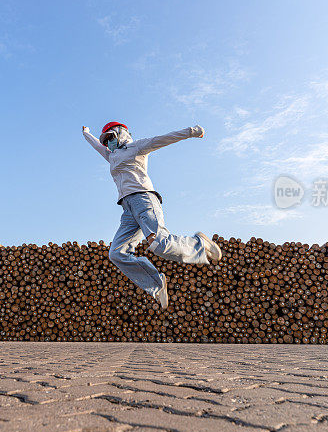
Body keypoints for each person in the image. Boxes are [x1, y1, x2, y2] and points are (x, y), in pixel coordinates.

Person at [82, 121, 223, 311]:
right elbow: (96, 146)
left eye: (111, 138)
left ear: (120, 134)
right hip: (127, 209)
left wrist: (190, 132)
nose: (108, 143)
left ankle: (200, 243)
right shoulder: (111, 156)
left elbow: (163, 139)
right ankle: (157, 283)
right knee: (117, 253)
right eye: (106, 141)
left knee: (160, 244)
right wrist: (86, 133)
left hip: (144, 199)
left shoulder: (137, 147)